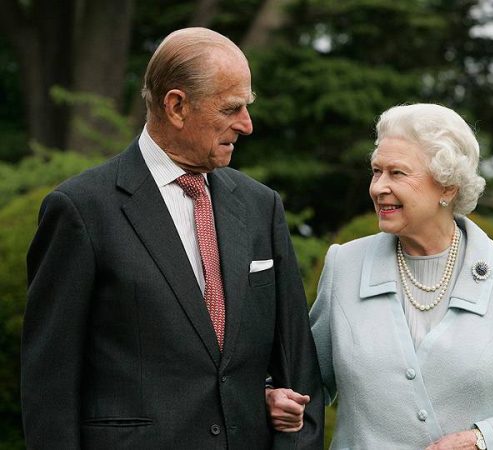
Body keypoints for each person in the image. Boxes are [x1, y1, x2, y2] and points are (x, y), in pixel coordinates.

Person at [21, 27, 323, 449]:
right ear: (177, 106)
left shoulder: (261, 206)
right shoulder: (80, 210)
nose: (247, 125)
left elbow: (298, 369)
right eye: (231, 108)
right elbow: (48, 385)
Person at [266, 103, 493, 449]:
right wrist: (276, 396)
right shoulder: (345, 265)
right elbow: (305, 381)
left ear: (447, 187)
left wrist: (482, 440)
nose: (378, 187)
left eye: (397, 173)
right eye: (376, 171)